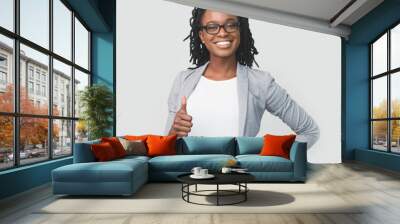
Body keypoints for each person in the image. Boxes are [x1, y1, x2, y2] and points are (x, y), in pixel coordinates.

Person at [165, 8, 320, 149]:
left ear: (240, 31)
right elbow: (165, 147)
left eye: (231, 25)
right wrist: (174, 130)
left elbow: (309, 131)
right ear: (202, 36)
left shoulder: (261, 83)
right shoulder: (183, 80)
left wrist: (273, 158)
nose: (223, 33)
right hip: (189, 177)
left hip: (237, 177)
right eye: (212, 27)